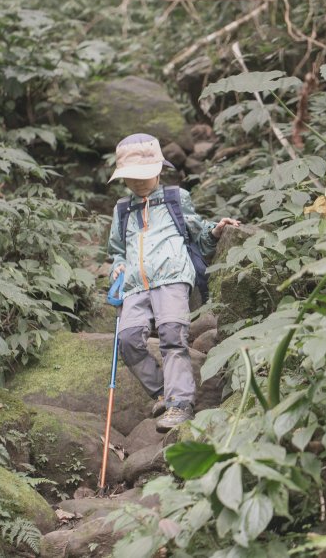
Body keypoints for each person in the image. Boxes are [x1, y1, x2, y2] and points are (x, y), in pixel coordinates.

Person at [106, 133, 241, 432]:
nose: (139, 182)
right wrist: (117, 267)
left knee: (171, 336)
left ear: (159, 170)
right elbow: (117, 251)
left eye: (145, 174)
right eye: (132, 176)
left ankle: (180, 404)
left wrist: (216, 231)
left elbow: (196, 233)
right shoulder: (122, 210)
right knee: (128, 340)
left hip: (173, 278)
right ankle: (162, 393)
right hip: (135, 286)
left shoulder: (175, 199)